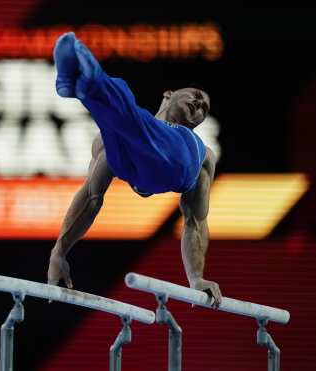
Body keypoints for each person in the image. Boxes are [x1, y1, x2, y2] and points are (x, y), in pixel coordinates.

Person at [47, 32, 222, 308]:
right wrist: (58, 253)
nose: (200, 105)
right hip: (132, 158)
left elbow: (195, 222)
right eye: (197, 97)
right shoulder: (113, 139)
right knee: (115, 127)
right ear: (169, 94)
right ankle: (86, 86)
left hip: (178, 160)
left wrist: (197, 279)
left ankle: (89, 86)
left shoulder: (201, 153)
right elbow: (91, 198)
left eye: (204, 110)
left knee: (123, 112)